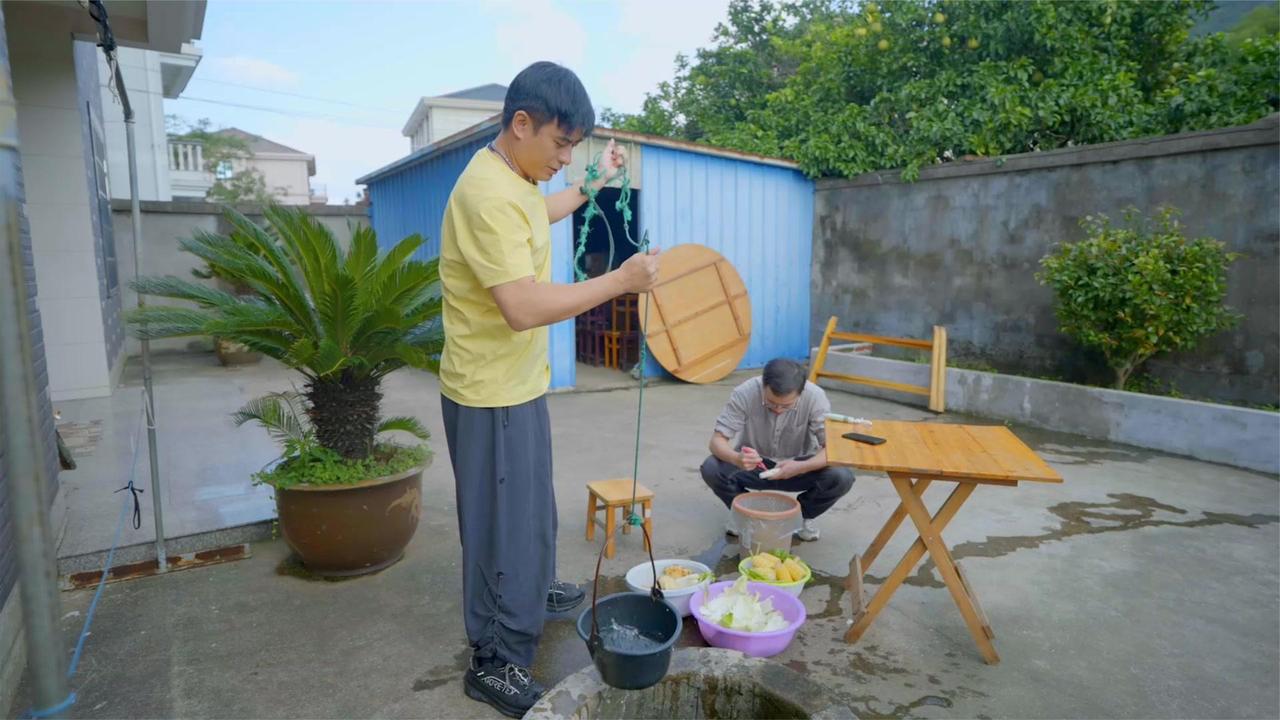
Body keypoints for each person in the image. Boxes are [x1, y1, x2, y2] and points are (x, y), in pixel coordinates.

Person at [438, 61, 660, 718]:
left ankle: (532, 595)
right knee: (499, 528)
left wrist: (595, 184)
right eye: (562, 145)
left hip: (515, 385)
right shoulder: (484, 194)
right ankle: (493, 659)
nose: (566, 159)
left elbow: (542, 210)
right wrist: (620, 281)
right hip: (489, 394)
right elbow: (523, 307)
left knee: (532, 513)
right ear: (521, 124)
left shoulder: (513, 179)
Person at [700, 358, 854, 542]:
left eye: (787, 406)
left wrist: (802, 466)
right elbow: (717, 440)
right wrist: (736, 458)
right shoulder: (745, 392)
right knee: (711, 468)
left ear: (801, 391)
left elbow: (832, 448)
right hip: (754, 464)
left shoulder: (815, 397)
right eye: (771, 403)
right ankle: (745, 515)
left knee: (841, 476)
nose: (778, 410)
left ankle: (801, 517)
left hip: (800, 465)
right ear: (763, 385)